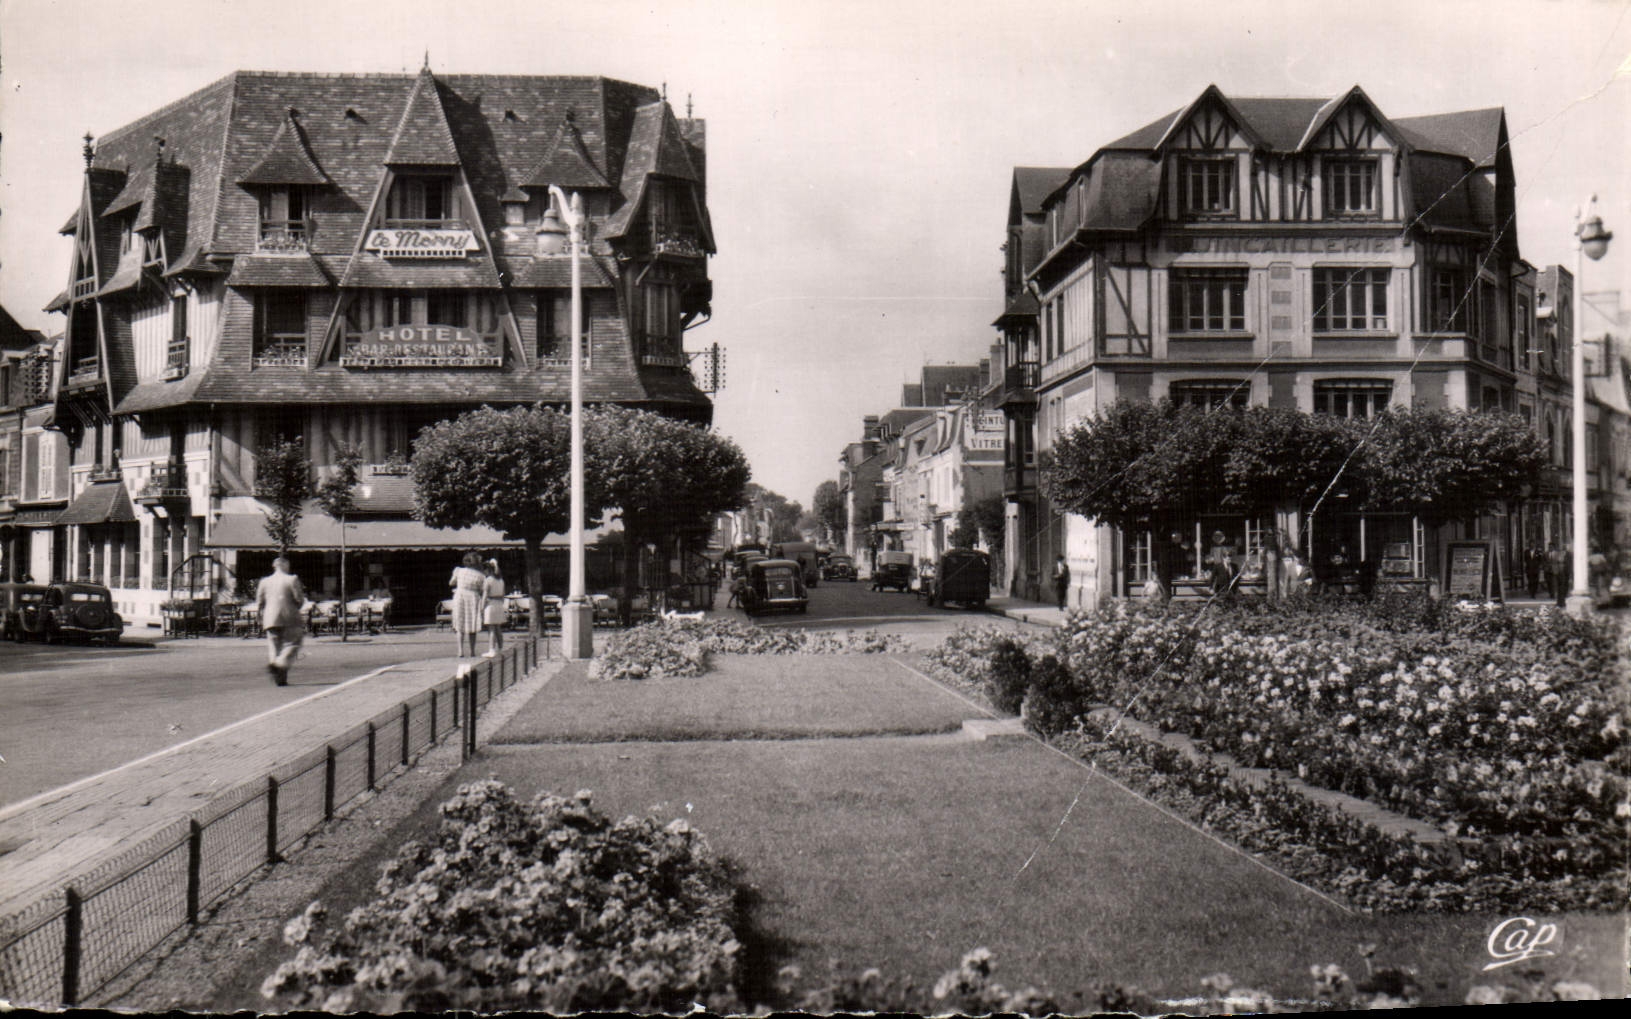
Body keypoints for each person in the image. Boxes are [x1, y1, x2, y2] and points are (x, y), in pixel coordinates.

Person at [254, 556, 307, 686]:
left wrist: (260, 615)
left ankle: (279, 678)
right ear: (285, 565)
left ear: (274, 566)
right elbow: (299, 599)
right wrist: (296, 607)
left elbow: (259, 601)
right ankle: (279, 664)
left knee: (274, 647)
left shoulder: (264, 581)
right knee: (293, 644)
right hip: (290, 617)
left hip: (270, 617)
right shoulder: (292, 579)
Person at [448, 552, 486, 659]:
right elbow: (482, 590)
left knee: (460, 624)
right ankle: (472, 651)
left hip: (460, 596)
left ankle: (460, 651)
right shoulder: (481, 576)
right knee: (472, 624)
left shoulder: (458, 571)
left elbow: (451, 583)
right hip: (473, 597)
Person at [481, 559, 506, 658]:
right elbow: (503, 594)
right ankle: (500, 649)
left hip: (490, 605)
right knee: (498, 628)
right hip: (499, 604)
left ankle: (491, 650)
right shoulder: (501, 580)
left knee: (491, 629)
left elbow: (485, 595)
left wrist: (482, 608)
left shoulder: (488, 580)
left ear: (488, 570)